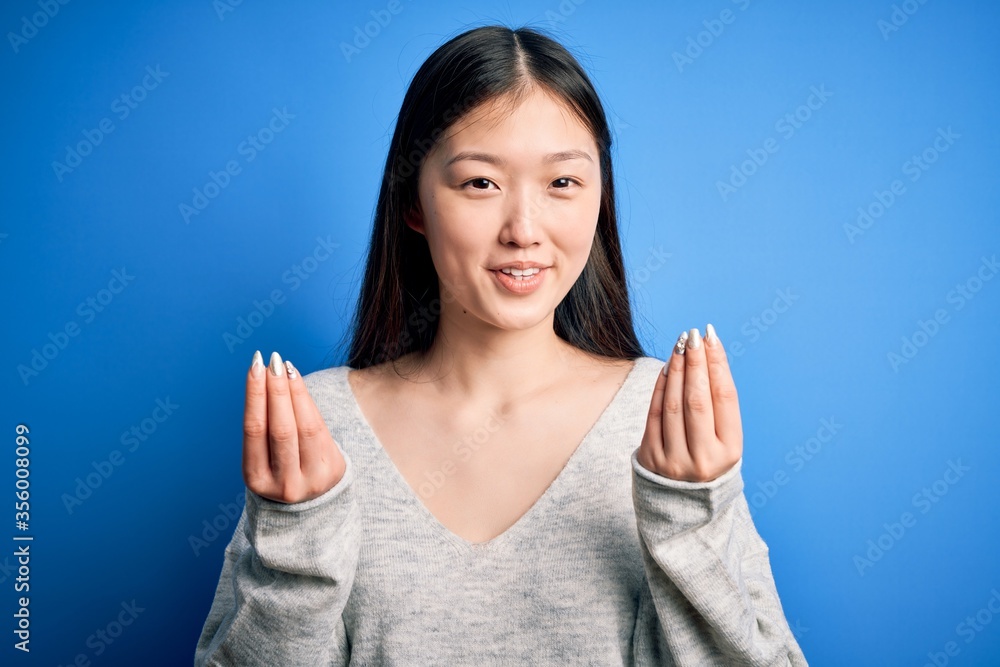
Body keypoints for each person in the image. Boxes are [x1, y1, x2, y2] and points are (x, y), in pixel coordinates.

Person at [195, 24, 808, 666]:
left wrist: (689, 524)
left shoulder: (665, 421)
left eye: (563, 183)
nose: (523, 230)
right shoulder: (315, 430)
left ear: (600, 199)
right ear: (414, 204)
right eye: (480, 183)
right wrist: (297, 548)